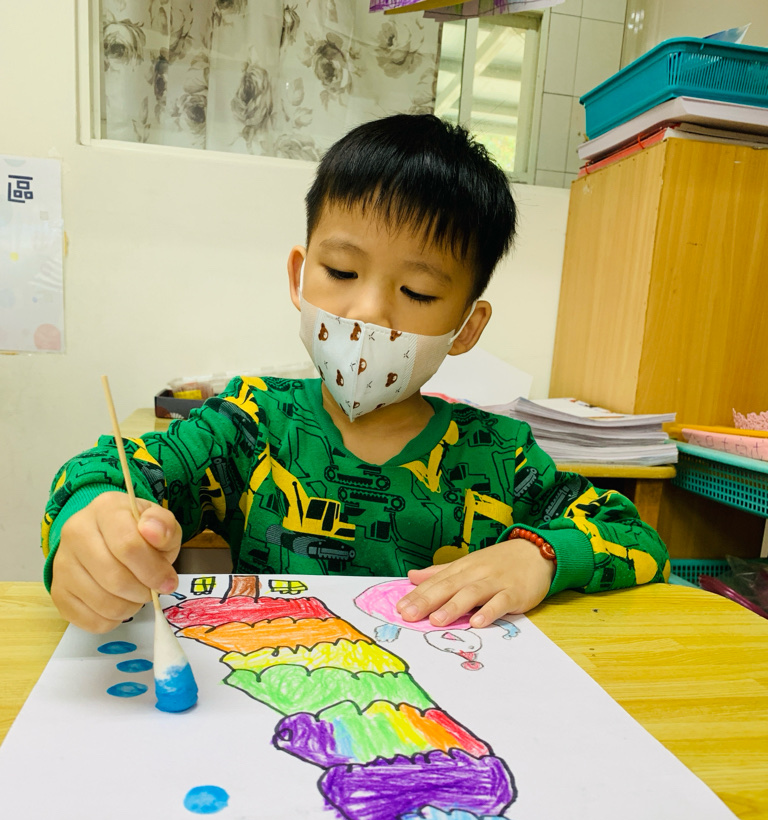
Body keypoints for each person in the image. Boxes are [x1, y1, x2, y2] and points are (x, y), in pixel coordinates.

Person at [42, 113, 670, 634]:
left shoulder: (499, 455)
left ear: (466, 326)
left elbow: (633, 535)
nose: (368, 312)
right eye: (342, 272)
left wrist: (537, 556)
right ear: (300, 276)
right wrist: (93, 522)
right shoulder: (250, 422)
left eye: (418, 292)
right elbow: (103, 471)